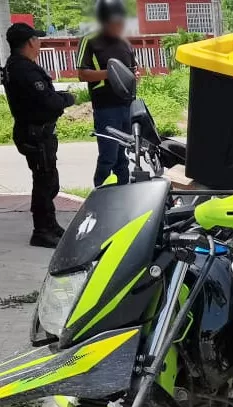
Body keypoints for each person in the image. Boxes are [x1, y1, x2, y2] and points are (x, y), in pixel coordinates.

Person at [1, 23, 75, 248]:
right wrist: (67, 99)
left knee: (47, 180)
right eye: (37, 39)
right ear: (30, 42)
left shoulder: (16, 67)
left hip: (33, 132)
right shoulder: (25, 70)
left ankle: (49, 225)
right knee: (45, 182)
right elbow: (49, 102)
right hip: (35, 135)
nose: (40, 43)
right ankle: (42, 230)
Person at [77, 0, 137, 187]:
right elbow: (82, 74)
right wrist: (111, 74)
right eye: (115, 22)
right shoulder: (90, 40)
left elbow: (133, 71)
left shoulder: (125, 43)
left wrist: (134, 76)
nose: (120, 26)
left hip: (127, 106)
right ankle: (100, 191)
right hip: (106, 108)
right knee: (108, 156)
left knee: (123, 156)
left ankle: (123, 191)